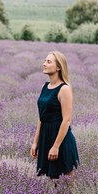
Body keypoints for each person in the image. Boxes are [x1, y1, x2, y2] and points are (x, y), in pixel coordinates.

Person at [30, 50, 79, 180]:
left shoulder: (64, 89)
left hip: (61, 140)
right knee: (52, 182)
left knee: (66, 184)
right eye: (45, 61)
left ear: (58, 67)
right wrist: (36, 143)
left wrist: (56, 146)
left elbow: (66, 120)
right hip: (46, 137)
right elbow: (41, 117)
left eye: (48, 61)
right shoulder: (45, 87)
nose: (44, 64)